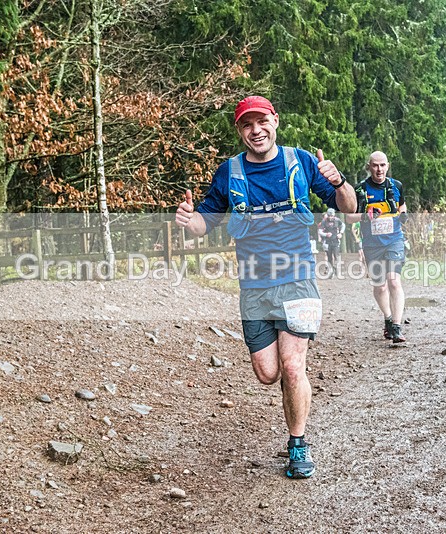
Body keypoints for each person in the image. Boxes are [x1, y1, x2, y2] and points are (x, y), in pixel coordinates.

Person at [175, 96, 356, 478]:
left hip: (298, 281)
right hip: (254, 287)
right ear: (240, 131)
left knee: (292, 368)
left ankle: (298, 445)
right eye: (246, 125)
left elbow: (349, 206)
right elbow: (203, 224)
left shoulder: (302, 161)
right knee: (267, 373)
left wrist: (337, 179)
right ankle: (294, 391)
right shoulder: (230, 172)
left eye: (262, 121)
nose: (255, 130)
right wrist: (187, 219)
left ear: (275, 121)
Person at [346, 151, 408, 343]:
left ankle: (397, 327)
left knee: (394, 281)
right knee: (380, 287)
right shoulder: (359, 190)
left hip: (394, 240)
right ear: (369, 167)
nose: (379, 169)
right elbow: (349, 217)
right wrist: (366, 215)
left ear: (387, 166)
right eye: (375, 165)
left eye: (382, 165)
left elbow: (402, 207)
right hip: (372, 244)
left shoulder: (396, 186)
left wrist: (404, 215)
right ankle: (388, 319)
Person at [317, 208, 345, 277]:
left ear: (334, 215)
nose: (330, 217)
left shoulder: (337, 220)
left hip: (336, 241)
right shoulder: (324, 221)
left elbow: (343, 225)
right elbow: (320, 231)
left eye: (331, 216)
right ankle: (331, 272)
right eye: (329, 216)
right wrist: (325, 234)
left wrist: (340, 233)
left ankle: (336, 269)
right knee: (329, 257)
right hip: (328, 242)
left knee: (336, 256)